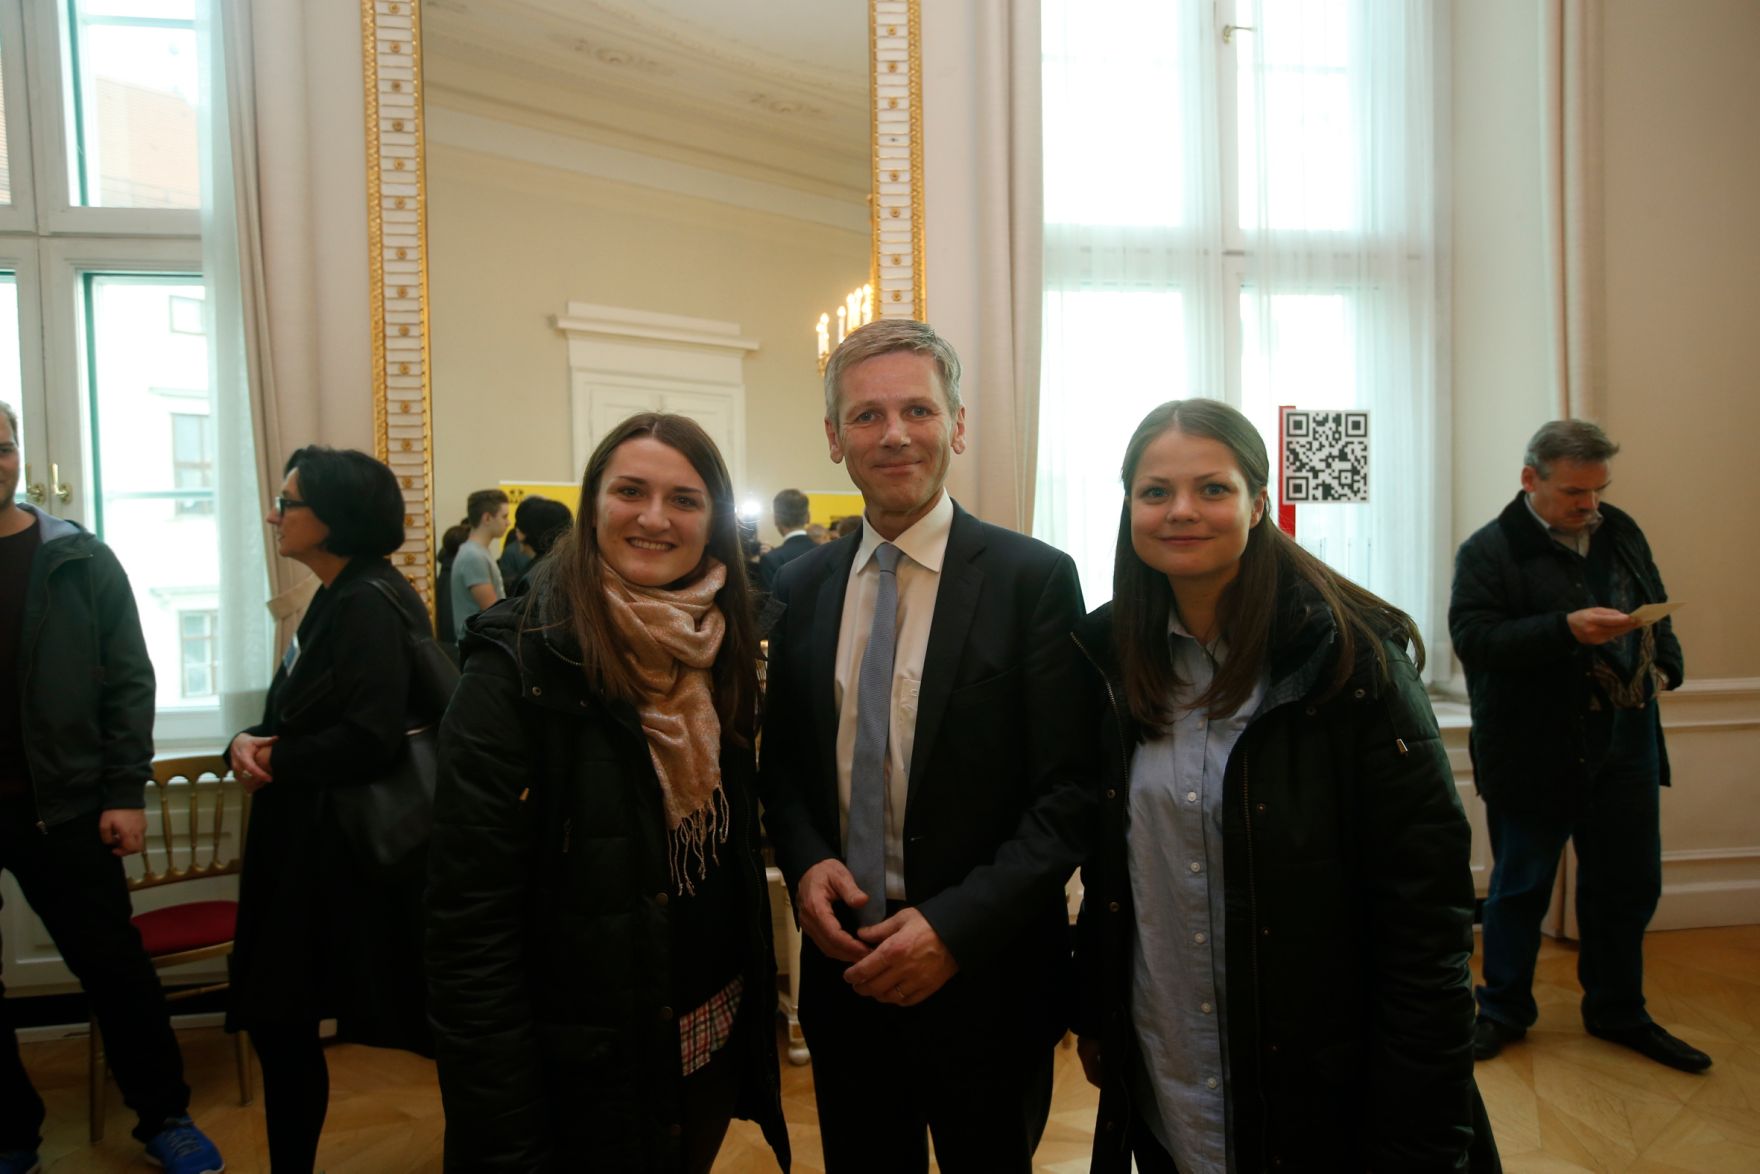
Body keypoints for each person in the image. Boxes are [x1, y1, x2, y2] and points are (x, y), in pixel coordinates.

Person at [1072, 399, 1497, 1172]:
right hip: (1170, 1070)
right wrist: (1097, 1014)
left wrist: (1425, 1126)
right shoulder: (1107, 659)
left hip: (1320, 1089)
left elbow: (1425, 912)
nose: (1182, 512)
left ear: (1259, 503)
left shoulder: (1350, 663)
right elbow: (1114, 870)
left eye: (1213, 489)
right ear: (1129, 506)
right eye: (1156, 492)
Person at [759, 320, 1090, 1173]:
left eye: (918, 409)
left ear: (958, 424)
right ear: (834, 440)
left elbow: (1069, 795)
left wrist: (949, 931)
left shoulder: (1034, 580)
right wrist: (804, 865)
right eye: (867, 416)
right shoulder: (797, 586)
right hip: (846, 970)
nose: (895, 433)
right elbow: (785, 769)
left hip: (986, 976)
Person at [427, 413, 789, 1173]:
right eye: (631, 491)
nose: (655, 517)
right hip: (577, 1076)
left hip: (702, 1039)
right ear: (594, 505)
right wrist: (503, 1136)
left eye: (684, 499)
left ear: (713, 521)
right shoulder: (516, 665)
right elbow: (469, 930)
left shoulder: (724, 645)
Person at [0, 404, 223, 1174]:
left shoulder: (79, 558)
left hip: (65, 804)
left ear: (18, 454)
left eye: (0, 449)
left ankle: (165, 1115)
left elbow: (129, 678)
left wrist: (124, 790)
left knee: (114, 972)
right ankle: (9, 1135)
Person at [1451, 420, 1704, 1072]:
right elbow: (1476, 641)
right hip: (1535, 745)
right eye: (1574, 492)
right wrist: (1564, 630)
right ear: (1530, 478)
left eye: (1597, 490)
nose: (1589, 505)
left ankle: (1618, 1010)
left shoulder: (1619, 528)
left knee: (1627, 883)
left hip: (1627, 737)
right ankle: (1502, 1011)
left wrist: (1668, 665)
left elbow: (1654, 597)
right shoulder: (1489, 550)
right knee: (1520, 887)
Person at [226, 446, 436, 1171]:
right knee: (280, 1025)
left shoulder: (366, 599)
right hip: (317, 853)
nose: (274, 514)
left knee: (282, 1023)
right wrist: (250, 741)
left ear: (333, 517)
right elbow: (298, 710)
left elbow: (369, 737)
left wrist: (275, 757)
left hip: (337, 864)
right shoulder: (343, 593)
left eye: (288, 502)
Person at [447, 488, 510, 640]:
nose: (508, 523)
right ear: (487, 518)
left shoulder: (478, 552)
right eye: (504, 517)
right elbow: (492, 611)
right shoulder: (473, 556)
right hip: (478, 647)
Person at [756, 488, 814, 590]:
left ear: (776, 519)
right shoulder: (826, 552)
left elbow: (769, 603)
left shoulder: (771, 559)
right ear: (808, 517)